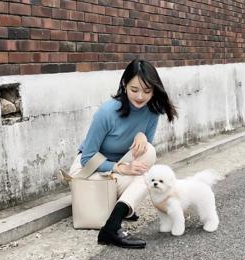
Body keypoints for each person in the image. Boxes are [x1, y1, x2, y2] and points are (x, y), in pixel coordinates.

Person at [69, 58, 178, 249]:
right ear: (124, 85)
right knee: (141, 179)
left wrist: (143, 136)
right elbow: (87, 158)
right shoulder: (107, 112)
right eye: (134, 90)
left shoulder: (153, 110)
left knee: (147, 172)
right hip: (91, 169)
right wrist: (121, 167)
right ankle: (122, 211)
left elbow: (145, 154)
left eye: (147, 91)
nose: (140, 97)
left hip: (117, 172)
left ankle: (111, 228)